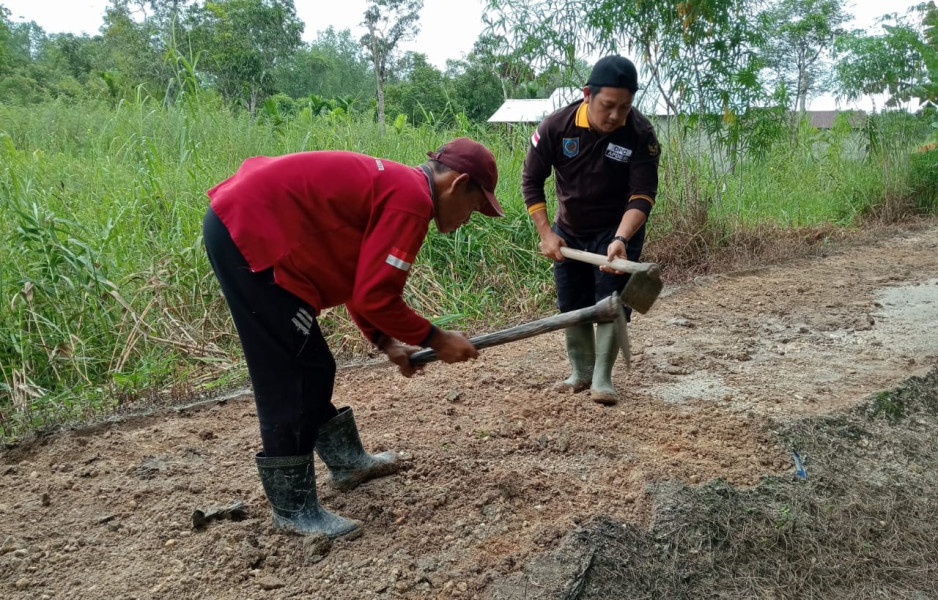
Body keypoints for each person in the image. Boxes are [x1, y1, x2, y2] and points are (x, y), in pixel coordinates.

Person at [202, 138, 503, 538]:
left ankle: (346, 463)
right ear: (458, 183)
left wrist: (387, 342)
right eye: (477, 205)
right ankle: (292, 509)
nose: (470, 217)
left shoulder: (402, 189)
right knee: (292, 373)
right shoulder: (411, 200)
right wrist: (436, 337)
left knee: (309, 365)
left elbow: (358, 280)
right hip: (249, 232)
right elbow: (374, 296)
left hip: (251, 222)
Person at [522, 55, 660, 405]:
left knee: (610, 303)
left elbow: (642, 195)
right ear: (587, 94)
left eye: (625, 107)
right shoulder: (556, 127)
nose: (615, 116)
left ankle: (602, 377)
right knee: (572, 303)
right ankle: (580, 372)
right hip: (569, 231)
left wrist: (620, 239)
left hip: (617, 233)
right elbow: (531, 181)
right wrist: (546, 234)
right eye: (608, 106)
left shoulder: (640, 134)